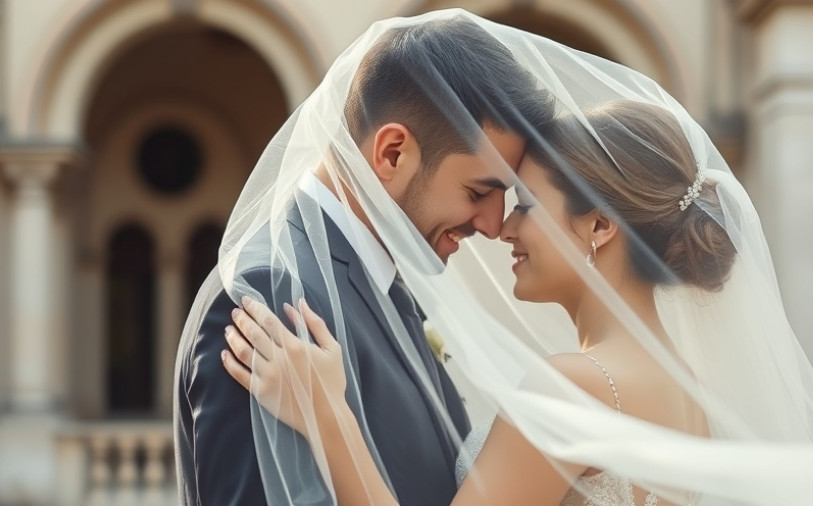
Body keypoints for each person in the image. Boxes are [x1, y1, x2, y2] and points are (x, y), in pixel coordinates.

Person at [216, 9, 813, 506]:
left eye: (525, 205)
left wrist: (328, 416)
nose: (501, 229)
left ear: (598, 226)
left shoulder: (577, 384)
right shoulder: (684, 383)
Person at [173, 12, 554, 506]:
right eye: (479, 190)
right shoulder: (272, 294)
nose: (490, 223)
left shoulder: (384, 284)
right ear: (393, 153)